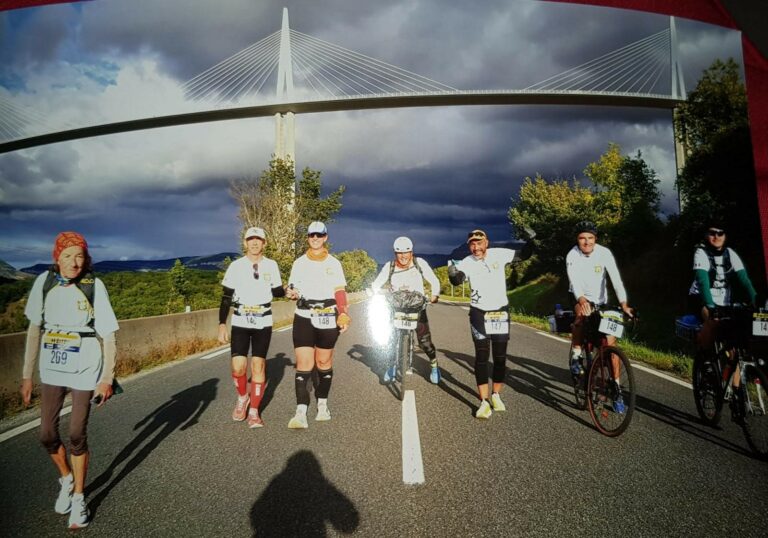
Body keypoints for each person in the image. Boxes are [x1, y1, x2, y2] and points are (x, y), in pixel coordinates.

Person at [20, 232, 119, 530]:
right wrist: (27, 375)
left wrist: (107, 377)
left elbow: (110, 335)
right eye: (67, 256)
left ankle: (79, 498)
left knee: (77, 432)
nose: (74, 263)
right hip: (52, 367)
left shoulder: (93, 286)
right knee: (47, 434)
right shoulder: (44, 283)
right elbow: (34, 329)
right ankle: (66, 478)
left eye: (80, 257)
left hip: (86, 365)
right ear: (57, 258)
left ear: (86, 259)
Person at [448, 228, 533, 419]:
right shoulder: (467, 262)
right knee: (481, 356)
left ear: (487, 242)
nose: (476, 247)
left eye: (479, 243)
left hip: (500, 312)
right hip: (479, 313)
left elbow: (524, 255)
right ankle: (484, 402)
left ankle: (496, 395)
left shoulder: (499, 254)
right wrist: (453, 275)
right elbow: (458, 279)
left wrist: (531, 241)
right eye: (472, 244)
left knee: (500, 357)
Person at [688, 220, 757, 421]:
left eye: (720, 233)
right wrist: (710, 305)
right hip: (701, 298)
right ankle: (706, 360)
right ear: (706, 235)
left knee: (734, 348)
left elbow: (745, 281)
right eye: (712, 233)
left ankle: (736, 393)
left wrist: (756, 302)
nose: (716, 236)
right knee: (712, 320)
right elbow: (702, 280)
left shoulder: (731, 254)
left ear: (725, 236)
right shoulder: (701, 253)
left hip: (725, 301)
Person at [284, 221, 350, 429]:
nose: (315, 238)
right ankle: (300, 412)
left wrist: (343, 313)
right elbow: (292, 289)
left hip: (328, 316)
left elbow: (339, 291)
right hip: (304, 315)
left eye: (319, 235)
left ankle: (322, 404)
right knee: (304, 363)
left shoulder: (334, 263)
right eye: (312, 235)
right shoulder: (299, 263)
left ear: (325, 238)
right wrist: (290, 293)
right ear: (308, 237)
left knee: (323, 362)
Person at [218, 226, 285, 428]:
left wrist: (289, 290)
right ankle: (242, 398)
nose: (254, 243)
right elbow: (226, 297)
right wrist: (222, 324)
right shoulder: (236, 266)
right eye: (250, 239)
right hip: (240, 318)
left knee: (258, 366)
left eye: (258, 240)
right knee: (238, 366)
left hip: (263, 319)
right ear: (245, 243)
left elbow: (277, 291)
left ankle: (254, 411)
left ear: (264, 243)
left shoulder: (271, 265)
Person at [565, 221, 633, 411]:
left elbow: (616, 279)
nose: (586, 242)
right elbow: (574, 280)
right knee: (580, 317)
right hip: (579, 296)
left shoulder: (604, 253)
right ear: (577, 240)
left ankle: (617, 388)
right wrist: (582, 300)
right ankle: (577, 355)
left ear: (596, 239)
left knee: (610, 344)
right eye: (582, 238)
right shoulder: (572, 255)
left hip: (601, 301)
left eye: (590, 238)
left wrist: (624, 304)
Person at [371, 236, 442, 384]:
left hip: (417, 308)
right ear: (394, 253)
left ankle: (434, 365)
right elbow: (377, 283)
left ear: (411, 252)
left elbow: (433, 279)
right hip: (397, 308)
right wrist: (375, 291)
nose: (403, 256)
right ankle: (392, 366)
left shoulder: (419, 263)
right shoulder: (390, 267)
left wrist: (435, 294)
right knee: (391, 340)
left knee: (425, 342)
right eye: (399, 253)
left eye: (406, 252)